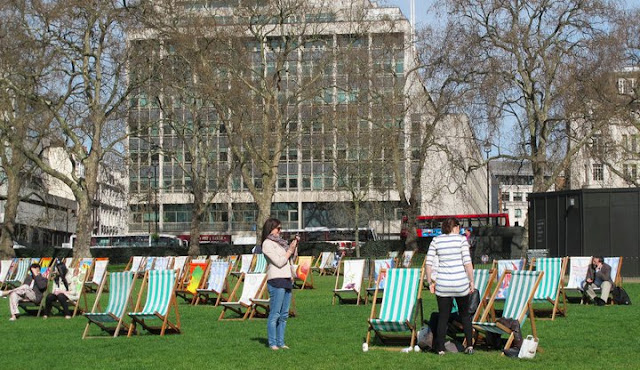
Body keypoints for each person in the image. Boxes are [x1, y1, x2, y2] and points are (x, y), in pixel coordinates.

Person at [425, 218, 475, 355]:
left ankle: (440, 348)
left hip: (443, 284)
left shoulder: (436, 240)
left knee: (443, 316)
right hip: (460, 283)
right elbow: (467, 263)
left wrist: (430, 282)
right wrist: (471, 281)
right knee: (465, 315)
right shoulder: (461, 240)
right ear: (456, 227)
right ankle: (469, 345)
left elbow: (428, 264)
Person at [261, 218, 299, 351]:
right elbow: (278, 262)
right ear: (270, 228)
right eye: (278, 228)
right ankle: (272, 343)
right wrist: (289, 251)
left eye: (281, 228)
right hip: (276, 279)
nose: (280, 231)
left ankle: (281, 342)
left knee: (284, 315)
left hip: (287, 279)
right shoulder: (267, 244)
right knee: (275, 314)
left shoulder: (281, 243)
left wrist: (293, 248)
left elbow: (290, 259)